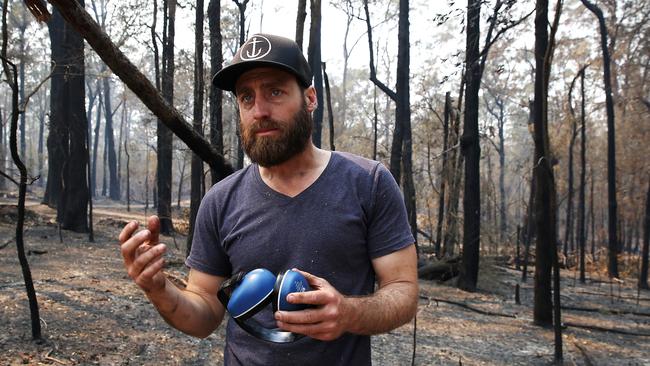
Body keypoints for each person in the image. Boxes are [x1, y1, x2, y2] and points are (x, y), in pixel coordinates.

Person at [118, 33, 418, 365]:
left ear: (310, 99)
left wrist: (349, 313)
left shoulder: (368, 183)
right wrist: (159, 290)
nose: (259, 110)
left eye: (275, 91)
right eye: (247, 97)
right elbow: (203, 314)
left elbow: (403, 291)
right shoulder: (220, 201)